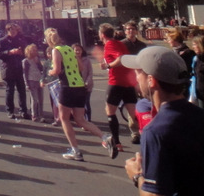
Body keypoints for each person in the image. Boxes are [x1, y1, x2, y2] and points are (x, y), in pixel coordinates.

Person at [122, 46, 204, 195]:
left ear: (151, 81)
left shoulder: (155, 131)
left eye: (138, 74)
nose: (136, 79)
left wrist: (137, 175)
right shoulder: (198, 115)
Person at [45, 28, 114, 161]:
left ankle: (75, 150)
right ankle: (105, 137)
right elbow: (81, 68)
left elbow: (57, 69)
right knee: (80, 119)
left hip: (67, 86)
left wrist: (51, 72)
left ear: (49, 40)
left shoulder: (56, 50)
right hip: (79, 86)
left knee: (64, 118)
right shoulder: (70, 49)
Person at [99, 22, 139, 148]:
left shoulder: (110, 45)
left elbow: (121, 58)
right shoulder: (120, 43)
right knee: (134, 113)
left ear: (102, 35)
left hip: (116, 82)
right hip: (128, 82)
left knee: (110, 111)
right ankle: (149, 136)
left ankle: (116, 142)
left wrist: (108, 66)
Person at [0, 23, 30, 119]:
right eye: (11, 30)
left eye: (15, 30)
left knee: (22, 90)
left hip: (19, 68)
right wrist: (10, 52)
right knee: (10, 91)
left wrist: (22, 52)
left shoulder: (20, 40)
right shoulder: (2, 41)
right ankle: (10, 111)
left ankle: (23, 110)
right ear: (7, 30)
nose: (13, 31)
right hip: (8, 68)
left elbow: (26, 52)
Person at [22, 44, 45, 123]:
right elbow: (24, 73)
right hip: (31, 80)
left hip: (39, 80)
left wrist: (38, 63)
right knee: (34, 99)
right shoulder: (26, 61)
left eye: (36, 50)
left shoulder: (37, 59)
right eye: (33, 50)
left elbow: (41, 69)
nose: (35, 51)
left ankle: (41, 115)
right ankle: (34, 115)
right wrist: (26, 84)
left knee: (41, 99)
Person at [74, 43, 94, 121]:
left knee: (86, 103)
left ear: (82, 51)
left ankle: (88, 120)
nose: (78, 52)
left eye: (79, 50)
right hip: (76, 86)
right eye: (76, 50)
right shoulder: (71, 60)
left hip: (86, 86)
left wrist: (87, 82)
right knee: (79, 105)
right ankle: (81, 120)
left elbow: (90, 72)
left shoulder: (87, 60)